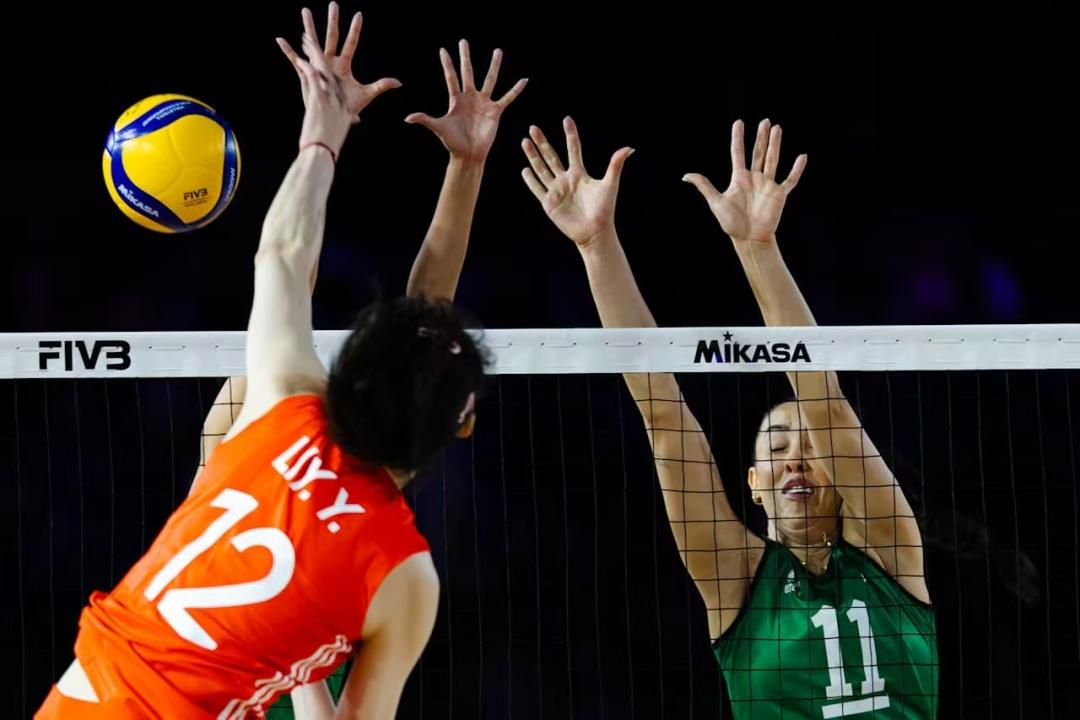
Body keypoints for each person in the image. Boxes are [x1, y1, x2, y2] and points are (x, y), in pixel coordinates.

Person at [36, 5, 501, 717]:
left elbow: (285, 258)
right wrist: (466, 168)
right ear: (457, 428)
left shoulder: (280, 408)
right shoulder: (402, 574)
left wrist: (324, 131)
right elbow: (395, 325)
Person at [521, 115, 938, 717]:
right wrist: (596, 245)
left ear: (843, 475)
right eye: (776, 448)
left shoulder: (890, 551)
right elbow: (664, 420)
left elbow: (825, 401)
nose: (795, 459)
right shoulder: (737, 580)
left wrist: (758, 248)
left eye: (810, 448)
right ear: (755, 485)